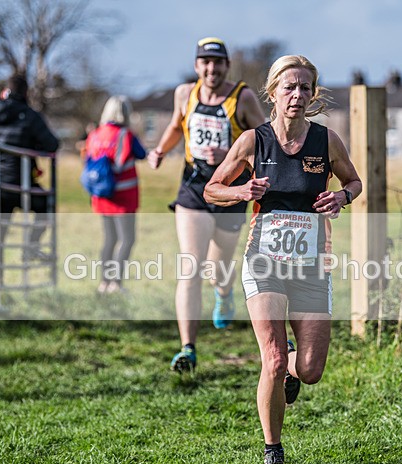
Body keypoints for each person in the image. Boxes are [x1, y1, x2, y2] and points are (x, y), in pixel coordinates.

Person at [204, 55, 363, 464]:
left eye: (305, 88)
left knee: (309, 371)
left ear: (313, 95)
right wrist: (241, 193)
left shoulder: (325, 140)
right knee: (271, 361)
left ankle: (294, 363)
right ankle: (272, 450)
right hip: (264, 262)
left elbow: (354, 181)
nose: (297, 95)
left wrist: (342, 197)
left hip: (311, 267)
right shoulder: (253, 141)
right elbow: (211, 188)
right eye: (289, 87)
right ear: (272, 92)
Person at [147, 37, 266, 371]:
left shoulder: (242, 97)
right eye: (205, 63)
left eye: (218, 63)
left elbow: (263, 140)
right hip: (194, 186)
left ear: (226, 66)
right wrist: (160, 150)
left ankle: (224, 293)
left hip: (231, 189)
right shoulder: (184, 93)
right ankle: (188, 348)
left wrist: (230, 157)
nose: (211, 69)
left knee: (218, 268)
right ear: (197, 65)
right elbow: (175, 126)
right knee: (191, 266)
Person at [0, 73, 59, 283]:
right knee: (46, 205)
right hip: (18, 184)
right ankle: (31, 246)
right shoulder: (29, 115)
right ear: (25, 93)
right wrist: (32, 148)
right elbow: (52, 144)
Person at [83, 96, 147, 294]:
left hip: (101, 195)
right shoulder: (125, 135)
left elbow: (87, 160)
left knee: (109, 239)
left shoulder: (94, 135)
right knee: (127, 239)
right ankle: (116, 284)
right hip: (123, 197)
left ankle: (104, 283)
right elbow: (142, 154)